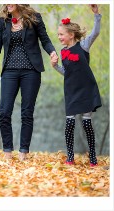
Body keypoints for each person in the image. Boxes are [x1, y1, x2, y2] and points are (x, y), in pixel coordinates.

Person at [0, 4, 57, 160]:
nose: (8, 3)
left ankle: (23, 152)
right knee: (4, 112)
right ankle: (7, 152)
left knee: (27, 112)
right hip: (9, 72)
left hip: (31, 71)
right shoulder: (3, 21)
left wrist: (52, 52)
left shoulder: (34, 18)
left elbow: (45, 40)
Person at [51, 4, 102, 167]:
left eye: (61, 34)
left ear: (71, 35)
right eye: (58, 34)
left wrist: (96, 15)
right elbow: (67, 72)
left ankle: (93, 157)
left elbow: (95, 32)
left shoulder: (83, 46)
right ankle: (70, 157)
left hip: (86, 90)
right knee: (69, 124)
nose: (59, 37)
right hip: (71, 91)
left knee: (87, 124)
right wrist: (55, 66)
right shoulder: (63, 52)